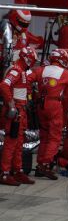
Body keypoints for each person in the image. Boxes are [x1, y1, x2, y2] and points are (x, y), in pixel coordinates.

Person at [30, 49, 68, 180]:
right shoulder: (67, 74)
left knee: (44, 136)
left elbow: (26, 79)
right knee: (54, 137)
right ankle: (46, 164)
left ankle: (39, 164)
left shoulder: (40, 70)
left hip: (40, 105)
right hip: (54, 105)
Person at [0, 47, 37, 186]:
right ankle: (4, 173)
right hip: (16, 112)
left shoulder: (21, 71)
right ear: (28, 58)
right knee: (11, 142)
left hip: (20, 112)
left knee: (18, 143)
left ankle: (17, 171)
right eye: (32, 60)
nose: (33, 63)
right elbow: (4, 86)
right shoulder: (16, 70)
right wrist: (11, 105)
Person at [0, 10, 43, 78]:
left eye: (26, 24)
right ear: (15, 18)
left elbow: (39, 42)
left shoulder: (25, 34)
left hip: (19, 68)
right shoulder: (4, 30)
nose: (24, 26)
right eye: (22, 23)